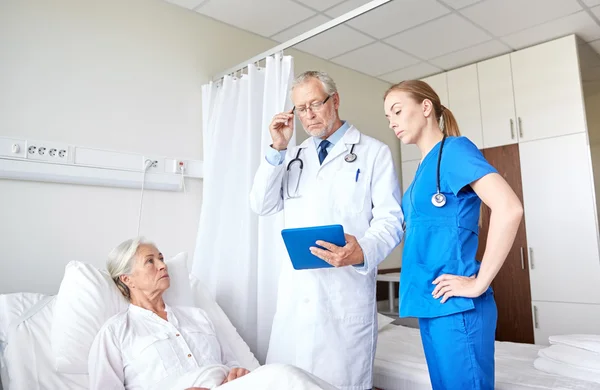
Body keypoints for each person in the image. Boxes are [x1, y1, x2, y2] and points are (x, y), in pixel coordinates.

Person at [249, 70, 404, 390]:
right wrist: (277, 148)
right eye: (300, 108)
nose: (308, 115)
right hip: (297, 297)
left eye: (315, 104)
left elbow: (391, 221)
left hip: (344, 297)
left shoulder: (373, 152)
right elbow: (261, 205)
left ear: (335, 101)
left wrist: (362, 250)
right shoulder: (291, 157)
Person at [383, 80, 524, 389]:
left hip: (458, 305)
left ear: (425, 107)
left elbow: (509, 208)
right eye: (387, 117)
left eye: (397, 111)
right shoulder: (423, 166)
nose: (392, 122)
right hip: (431, 301)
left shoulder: (455, 150)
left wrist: (479, 283)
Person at [88, 237, 250, 390]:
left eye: (161, 258)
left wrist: (238, 373)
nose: (162, 265)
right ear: (127, 279)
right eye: (150, 261)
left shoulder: (199, 317)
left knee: (274, 373)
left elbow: (232, 364)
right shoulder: (115, 333)